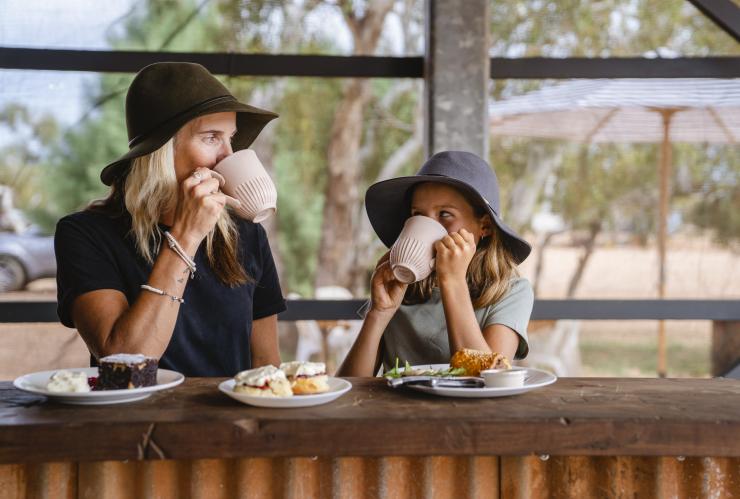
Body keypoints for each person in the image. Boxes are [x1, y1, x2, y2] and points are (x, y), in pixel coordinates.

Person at [54, 62, 286, 376]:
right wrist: (187, 236)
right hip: (135, 421)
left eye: (230, 138)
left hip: (230, 422)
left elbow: (265, 366)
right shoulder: (85, 234)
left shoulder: (247, 235)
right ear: (160, 152)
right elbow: (123, 362)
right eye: (211, 138)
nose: (227, 155)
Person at [337, 151, 534, 376]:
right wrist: (378, 312)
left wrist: (452, 280)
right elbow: (352, 386)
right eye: (418, 214)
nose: (429, 226)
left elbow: (488, 380)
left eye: (445, 214)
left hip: (468, 413)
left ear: (485, 226)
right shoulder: (400, 288)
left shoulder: (511, 292)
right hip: (396, 410)